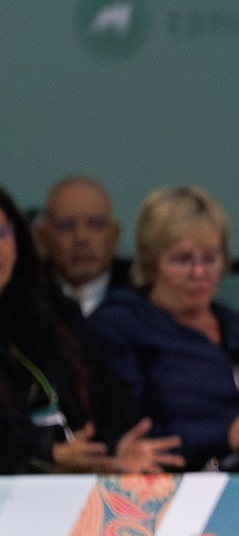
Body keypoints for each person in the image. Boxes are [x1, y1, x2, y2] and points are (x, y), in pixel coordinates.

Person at [88, 186, 239, 470]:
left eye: (210, 258)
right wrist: (224, 434)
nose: (199, 273)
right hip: (179, 486)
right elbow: (125, 434)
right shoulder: (121, 326)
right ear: (151, 263)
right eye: (182, 259)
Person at [0, 184, 175, 475]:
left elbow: (105, 395)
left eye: (1, 233)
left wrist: (117, 444)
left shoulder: (44, 311)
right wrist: (45, 450)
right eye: (67, 225)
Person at [36, 177, 133, 317]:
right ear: (43, 237)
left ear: (115, 236)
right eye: (66, 225)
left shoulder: (145, 292)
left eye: (95, 224)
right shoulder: (25, 295)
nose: (81, 238)